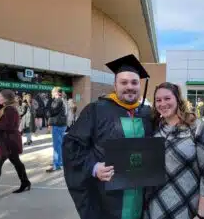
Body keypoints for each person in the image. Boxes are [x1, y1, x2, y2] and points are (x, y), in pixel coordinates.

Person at [62, 54, 153, 219]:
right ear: (115, 85)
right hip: (108, 198)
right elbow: (71, 145)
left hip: (141, 196)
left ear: (140, 85)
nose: (129, 87)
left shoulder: (147, 113)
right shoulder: (96, 110)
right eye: (123, 82)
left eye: (134, 82)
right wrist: (94, 167)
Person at [144, 82, 204, 219]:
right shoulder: (156, 127)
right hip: (154, 205)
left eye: (167, 98)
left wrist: (203, 215)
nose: (162, 103)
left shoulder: (196, 127)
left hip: (184, 205)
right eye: (158, 100)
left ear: (177, 99)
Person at [0, 89, 31, 193]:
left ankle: (25, 182)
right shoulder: (3, 108)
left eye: (0, 97)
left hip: (7, 142)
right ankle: (25, 182)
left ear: (5, 99)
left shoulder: (10, 110)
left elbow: (7, 126)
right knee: (17, 162)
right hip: (7, 141)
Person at [46, 87, 68, 173]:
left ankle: (56, 165)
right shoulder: (63, 100)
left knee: (56, 146)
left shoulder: (58, 100)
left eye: (52, 92)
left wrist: (47, 110)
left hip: (58, 125)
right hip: (62, 125)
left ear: (56, 93)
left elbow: (51, 111)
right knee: (60, 144)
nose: (51, 94)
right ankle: (60, 162)